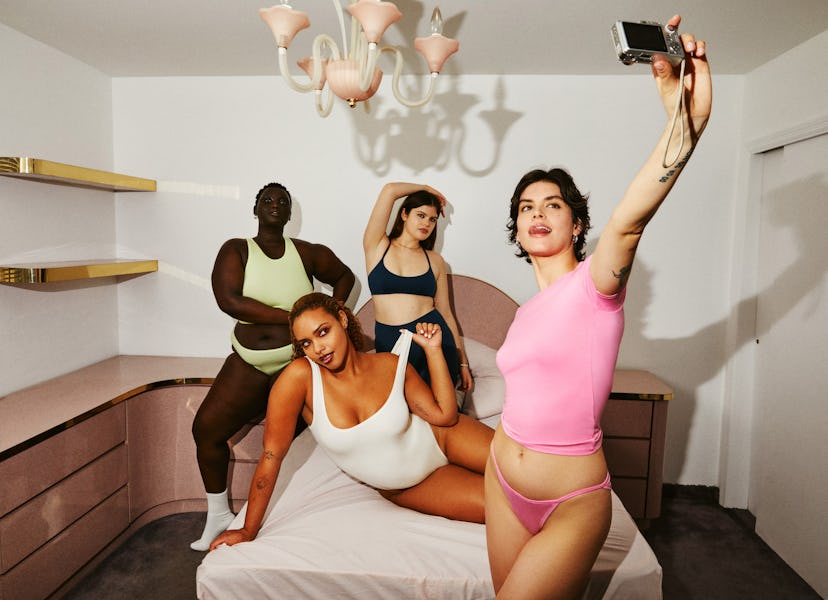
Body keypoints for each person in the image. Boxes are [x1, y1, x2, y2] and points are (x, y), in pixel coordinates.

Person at [485, 15, 712, 599]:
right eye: (527, 206)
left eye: (553, 204)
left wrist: (684, 123)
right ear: (516, 227)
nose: (537, 213)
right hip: (501, 479)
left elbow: (632, 219)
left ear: (576, 222)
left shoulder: (595, 287)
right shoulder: (523, 312)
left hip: (572, 501)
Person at [208, 292, 495, 550]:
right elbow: (271, 456)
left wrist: (433, 351)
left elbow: (445, 416)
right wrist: (247, 529)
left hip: (443, 438)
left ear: (342, 320)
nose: (318, 348)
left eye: (323, 332)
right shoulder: (300, 378)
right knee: (503, 509)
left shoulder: (390, 364)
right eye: (306, 342)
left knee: (528, 474)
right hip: (409, 485)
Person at [190, 183, 355, 551]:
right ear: (256, 208)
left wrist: (327, 315)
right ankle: (218, 515)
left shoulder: (307, 253)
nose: (275, 205)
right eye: (268, 200)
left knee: (293, 450)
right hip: (250, 362)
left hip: (296, 366)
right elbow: (229, 300)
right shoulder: (237, 249)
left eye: (283, 202)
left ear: (290, 213)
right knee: (206, 430)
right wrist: (295, 317)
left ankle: (283, 525)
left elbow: (346, 277)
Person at [363, 182, 472, 392]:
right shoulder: (377, 246)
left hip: (435, 340)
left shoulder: (435, 260)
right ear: (404, 214)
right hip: (391, 341)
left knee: (443, 414)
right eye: (420, 215)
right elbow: (389, 190)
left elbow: (446, 313)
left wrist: (463, 363)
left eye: (432, 219)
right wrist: (426, 188)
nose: (427, 223)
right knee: (398, 412)